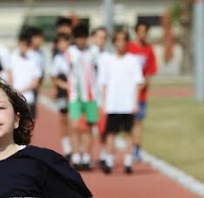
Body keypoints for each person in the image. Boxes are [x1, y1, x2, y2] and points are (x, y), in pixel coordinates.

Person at [98, 30, 145, 174]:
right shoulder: (108, 60)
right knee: (110, 133)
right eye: (118, 40)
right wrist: (103, 103)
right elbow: (104, 84)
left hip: (127, 104)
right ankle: (109, 160)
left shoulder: (133, 60)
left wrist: (135, 102)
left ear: (127, 42)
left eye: (123, 40)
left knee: (128, 133)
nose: (120, 43)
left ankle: (128, 161)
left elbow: (138, 83)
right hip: (112, 104)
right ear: (114, 43)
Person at [66, 23, 99, 170]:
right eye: (78, 38)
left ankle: (85, 155)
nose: (81, 41)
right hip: (75, 95)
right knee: (74, 126)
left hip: (91, 95)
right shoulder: (69, 52)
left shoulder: (94, 51)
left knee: (89, 127)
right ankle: (75, 154)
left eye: (83, 38)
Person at [127, 21, 158, 161]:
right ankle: (129, 147)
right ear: (136, 32)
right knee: (129, 122)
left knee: (138, 121)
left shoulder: (149, 49)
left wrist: (145, 82)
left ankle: (137, 148)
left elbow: (151, 70)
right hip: (128, 92)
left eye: (144, 31)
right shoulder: (129, 48)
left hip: (141, 94)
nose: (142, 34)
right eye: (140, 31)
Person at [8, 27, 43, 120]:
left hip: (28, 97)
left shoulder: (33, 59)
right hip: (15, 97)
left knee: (28, 124)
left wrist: (21, 90)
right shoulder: (12, 57)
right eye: (21, 45)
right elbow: (9, 75)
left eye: (26, 45)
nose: (23, 48)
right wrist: (13, 91)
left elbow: (35, 82)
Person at [48, 31, 73, 160]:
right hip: (64, 91)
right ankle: (67, 147)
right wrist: (60, 85)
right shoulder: (57, 59)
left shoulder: (74, 56)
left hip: (76, 91)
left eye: (65, 42)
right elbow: (53, 76)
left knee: (75, 119)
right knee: (64, 118)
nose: (63, 45)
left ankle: (77, 147)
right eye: (60, 42)